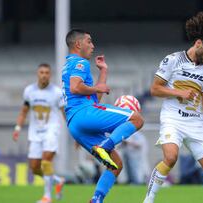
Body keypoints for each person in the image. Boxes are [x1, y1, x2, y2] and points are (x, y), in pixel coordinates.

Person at [143, 12, 203, 203]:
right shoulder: (172, 60)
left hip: (196, 123)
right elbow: (155, 89)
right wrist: (179, 93)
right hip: (173, 119)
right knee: (171, 157)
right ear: (198, 43)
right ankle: (148, 200)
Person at [62, 29, 144, 203]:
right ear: (78, 44)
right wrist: (96, 88)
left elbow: (94, 100)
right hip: (83, 114)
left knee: (115, 164)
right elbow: (76, 87)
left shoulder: (69, 65)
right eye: (89, 42)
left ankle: (96, 199)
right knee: (137, 119)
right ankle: (106, 144)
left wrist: (103, 72)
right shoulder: (79, 63)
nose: (92, 46)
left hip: (76, 124)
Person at [12, 63, 66, 203]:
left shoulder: (57, 92)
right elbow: (24, 111)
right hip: (35, 133)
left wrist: (75, 131)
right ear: (38, 74)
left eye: (47, 72)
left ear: (50, 75)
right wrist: (17, 128)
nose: (44, 75)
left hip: (51, 130)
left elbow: (64, 113)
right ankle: (57, 180)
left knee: (46, 162)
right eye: (41, 72)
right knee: (35, 168)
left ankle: (47, 197)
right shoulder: (29, 91)